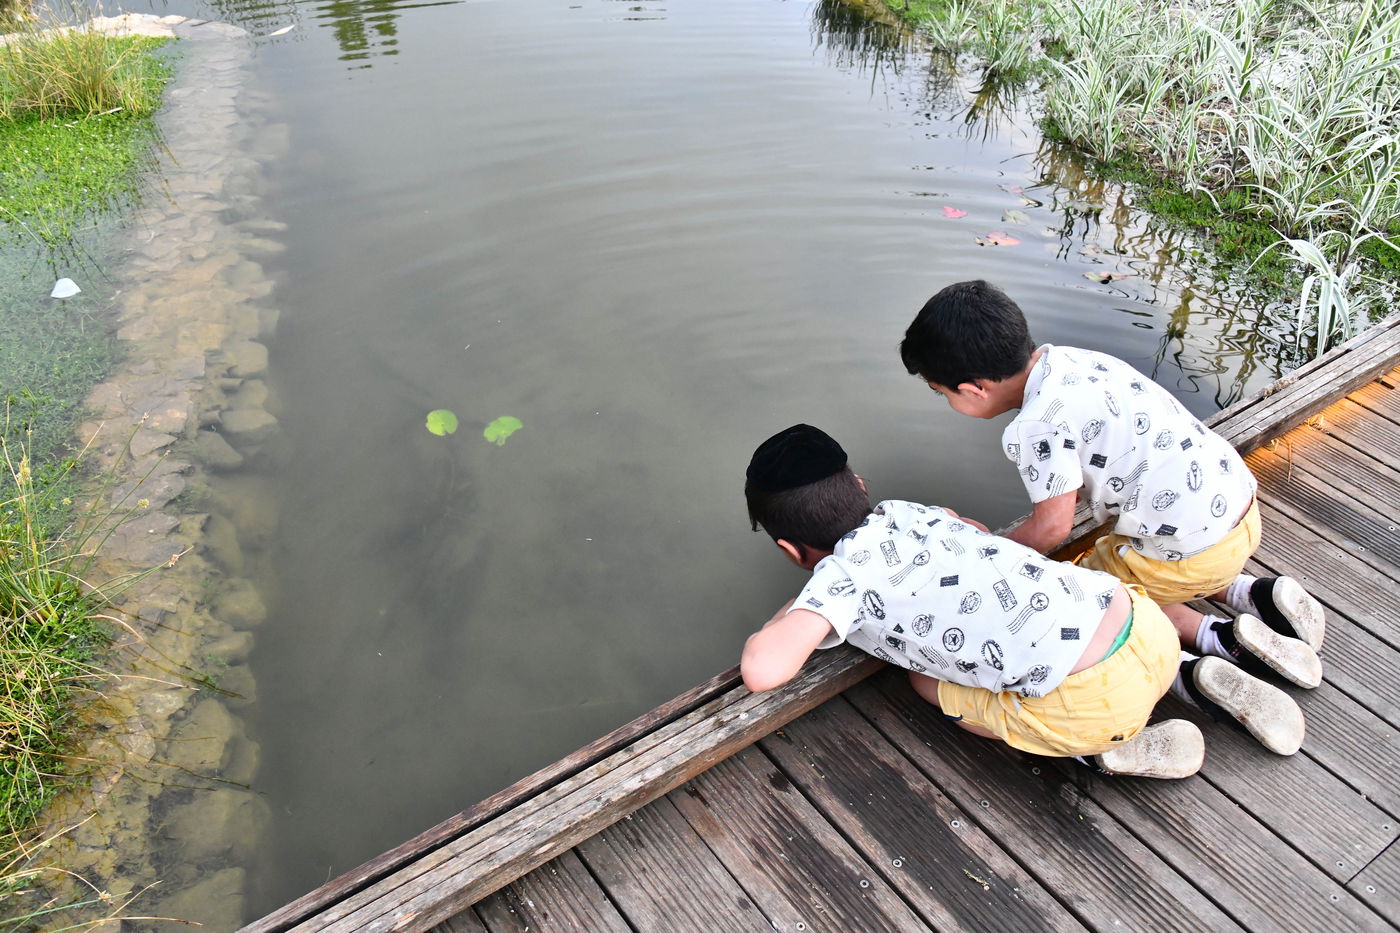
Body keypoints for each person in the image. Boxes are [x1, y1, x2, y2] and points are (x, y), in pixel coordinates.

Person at [740, 425, 1306, 780]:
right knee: (1077, 609)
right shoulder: (909, 513)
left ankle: (1094, 752)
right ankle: (1193, 669)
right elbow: (974, 527)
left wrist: (788, 614)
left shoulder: (837, 581)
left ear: (791, 550)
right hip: (1143, 623)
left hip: (1097, 705)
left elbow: (765, 670)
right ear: (860, 484)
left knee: (921, 683)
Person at [899, 280, 1325, 704]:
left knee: (1088, 595)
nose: (948, 403)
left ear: (974, 389)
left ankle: (1211, 647)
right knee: (1147, 554)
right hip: (1238, 511)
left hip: (1190, 554)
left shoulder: (1034, 427)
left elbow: (1051, 529)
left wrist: (989, 552)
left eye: (942, 395)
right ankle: (1253, 595)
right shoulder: (1072, 361)